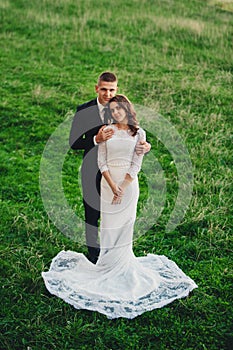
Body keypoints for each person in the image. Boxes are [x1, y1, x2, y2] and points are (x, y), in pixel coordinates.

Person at [42, 95, 197, 320]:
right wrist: (113, 185)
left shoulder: (139, 134)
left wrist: (123, 186)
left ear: (127, 109)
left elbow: (137, 163)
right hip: (108, 184)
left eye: (119, 109)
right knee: (108, 225)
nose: (116, 113)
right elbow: (101, 161)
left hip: (128, 186)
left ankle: (122, 263)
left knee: (125, 225)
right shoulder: (107, 130)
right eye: (112, 110)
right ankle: (105, 263)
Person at [69, 72, 150, 263]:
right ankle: (94, 253)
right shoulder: (84, 110)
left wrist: (147, 146)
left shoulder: (120, 107)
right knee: (92, 210)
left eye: (111, 89)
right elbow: (73, 142)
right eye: (104, 89)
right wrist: (96, 139)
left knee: (118, 213)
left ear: (117, 89)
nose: (107, 93)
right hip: (92, 167)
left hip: (119, 172)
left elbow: (134, 135)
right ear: (97, 88)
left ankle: (117, 253)